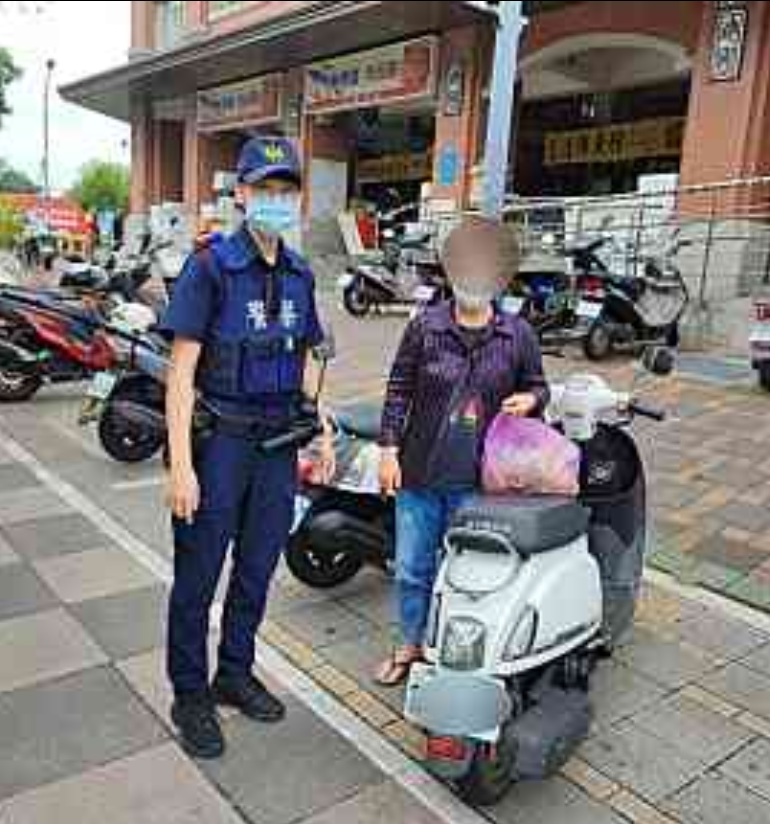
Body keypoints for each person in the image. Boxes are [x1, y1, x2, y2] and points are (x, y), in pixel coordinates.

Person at [162, 136, 335, 759]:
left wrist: (323, 424)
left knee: (258, 570)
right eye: (264, 189)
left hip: (278, 450)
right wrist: (182, 466)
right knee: (198, 577)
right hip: (221, 448)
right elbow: (180, 372)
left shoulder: (300, 272)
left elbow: (312, 350)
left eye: (286, 191)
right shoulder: (210, 267)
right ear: (240, 195)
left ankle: (233, 673)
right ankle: (190, 694)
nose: (276, 201)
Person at [374, 215, 550, 686]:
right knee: (413, 567)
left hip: (481, 483)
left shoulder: (518, 335)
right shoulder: (425, 328)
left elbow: (539, 386)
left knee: (469, 574)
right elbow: (398, 390)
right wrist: (388, 449)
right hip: (421, 474)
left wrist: (530, 399)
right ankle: (410, 643)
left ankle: (453, 649)